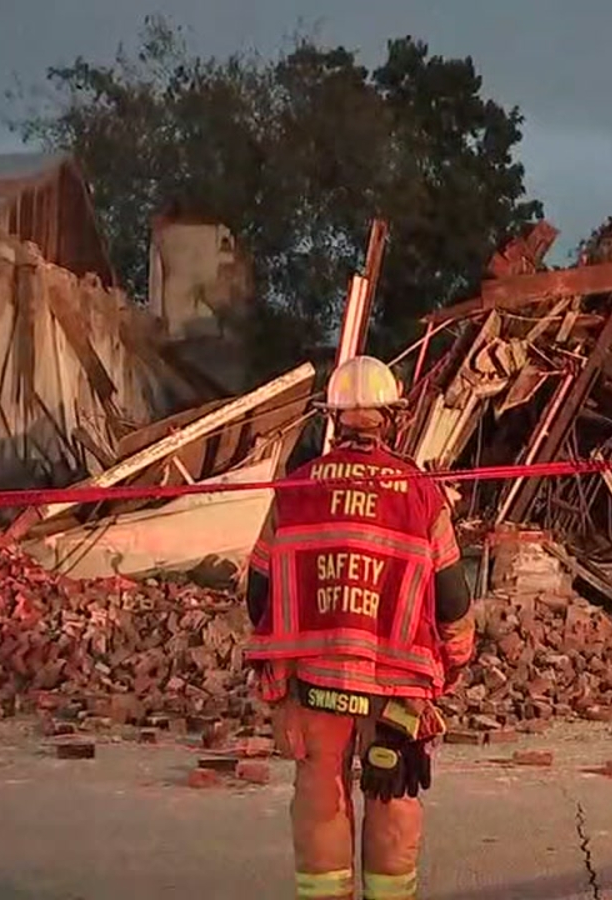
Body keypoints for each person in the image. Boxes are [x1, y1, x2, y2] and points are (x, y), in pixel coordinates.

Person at [245, 356, 475, 900]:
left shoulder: (295, 490)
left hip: (315, 674)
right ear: (391, 418)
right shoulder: (419, 493)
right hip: (397, 682)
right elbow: (452, 597)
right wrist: (454, 662)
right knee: (392, 790)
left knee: (321, 790)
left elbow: (258, 594)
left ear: (334, 418)